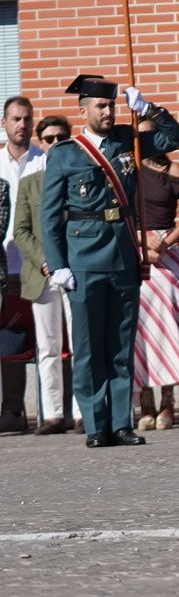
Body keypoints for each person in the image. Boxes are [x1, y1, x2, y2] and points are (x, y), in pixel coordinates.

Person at [43, 76, 179, 447]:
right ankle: (95, 425)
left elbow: (178, 138)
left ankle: (122, 422)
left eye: (111, 106)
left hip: (123, 253)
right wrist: (58, 264)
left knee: (121, 344)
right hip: (83, 256)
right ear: (84, 111)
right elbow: (50, 216)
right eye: (100, 107)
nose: (108, 112)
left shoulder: (128, 140)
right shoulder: (64, 154)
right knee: (90, 347)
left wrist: (149, 109)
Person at [131, 117, 179, 431]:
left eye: (151, 136)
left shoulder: (174, 171)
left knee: (169, 325)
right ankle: (145, 402)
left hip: (167, 249)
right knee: (141, 327)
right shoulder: (130, 172)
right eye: (140, 137)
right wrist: (141, 242)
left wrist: (164, 242)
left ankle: (167, 402)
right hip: (135, 248)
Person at [14, 115, 77, 433]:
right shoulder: (29, 181)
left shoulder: (79, 176)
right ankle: (52, 414)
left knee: (82, 343)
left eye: (61, 137)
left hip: (76, 270)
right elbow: (20, 230)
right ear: (41, 142)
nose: (55, 143)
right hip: (42, 273)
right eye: (49, 138)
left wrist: (67, 260)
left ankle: (82, 412)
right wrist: (47, 260)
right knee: (48, 347)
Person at [0, 95, 43, 432]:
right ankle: (13, 412)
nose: (22, 125)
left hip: (37, 267)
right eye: (15, 119)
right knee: (9, 340)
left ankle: (54, 411)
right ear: (4, 123)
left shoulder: (45, 161)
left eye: (27, 118)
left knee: (46, 340)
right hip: (3, 268)